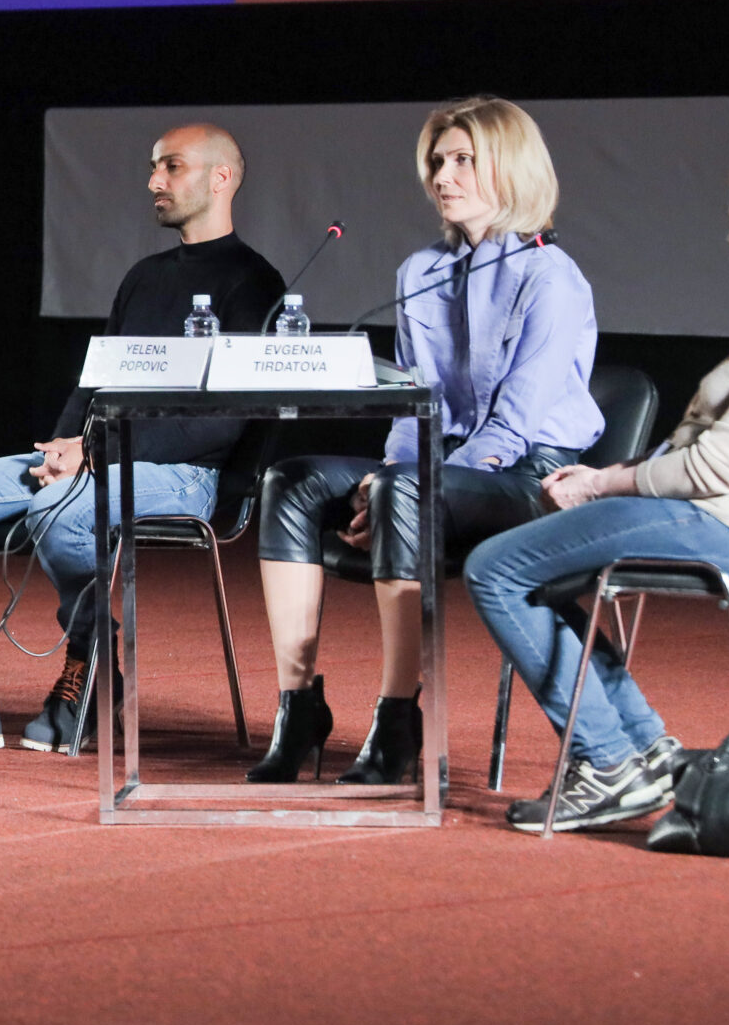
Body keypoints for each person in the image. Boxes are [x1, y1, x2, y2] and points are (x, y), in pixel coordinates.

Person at [464, 143, 729, 833]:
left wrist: (604, 483)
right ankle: (642, 751)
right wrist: (612, 482)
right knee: (534, 569)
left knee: (495, 567)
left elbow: (715, 468)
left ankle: (607, 761)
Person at [0, 123, 285, 752]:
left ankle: (92, 670)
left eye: (171, 166)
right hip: (92, 460)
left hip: (189, 475)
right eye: (153, 167)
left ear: (221, 177)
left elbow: (224, 422)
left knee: (57, 508)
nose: (154, 180)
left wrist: (93, 456)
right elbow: (94, 385)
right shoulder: (143, 276)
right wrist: (65, 449)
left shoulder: (254, 284)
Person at [247, 97, 602, 785]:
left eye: (464, 160)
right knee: (290, 478)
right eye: (439, 161)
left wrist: (398, 487)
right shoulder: (419, 272)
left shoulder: (551, 277)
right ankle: (298, 707)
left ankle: (396, 719)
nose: (443, 176)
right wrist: (384, 476)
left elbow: (512, 427)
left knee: (404, 490)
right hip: (436, 469)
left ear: (511, 168)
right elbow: (415, 407)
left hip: (529, 476)